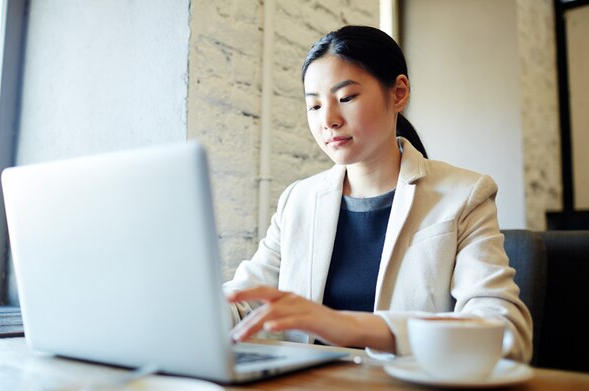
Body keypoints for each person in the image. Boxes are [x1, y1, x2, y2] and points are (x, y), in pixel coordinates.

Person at [223, 25, 532, 362]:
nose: (328, 120)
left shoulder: (464, 195)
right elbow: (245, 302)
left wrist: (353, 327)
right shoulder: (297, 200)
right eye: (313, 106)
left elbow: (505, 333)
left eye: (346, 98)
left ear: (398, 93)